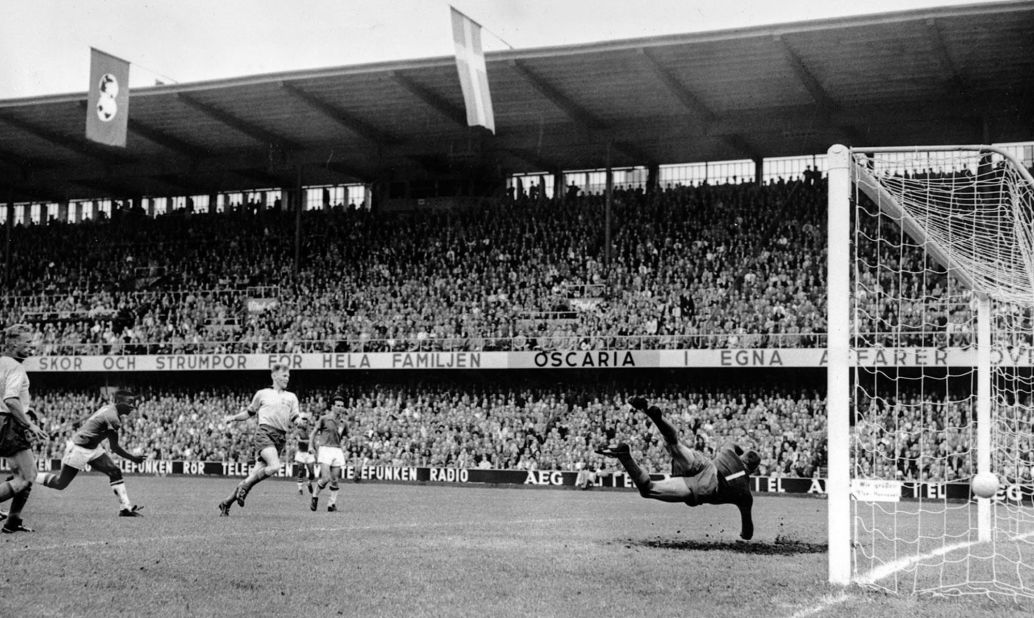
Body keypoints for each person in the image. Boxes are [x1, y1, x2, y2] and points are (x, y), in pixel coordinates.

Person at [596, 397, 760, 540]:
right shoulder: (745, 494)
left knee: (674, 444)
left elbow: (732, 443)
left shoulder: (729, 451)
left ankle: (654, 416)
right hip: (706, 486)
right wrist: (743, 533)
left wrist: (739, 452)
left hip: (704, 464)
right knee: (649, 489)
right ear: (752, 471)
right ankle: (625, 456)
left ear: (742, 457)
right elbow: (748, 533)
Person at [36, 390, 147, 517]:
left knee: (114, 471)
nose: (132, 406)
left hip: (93, 447)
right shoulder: (113, 418)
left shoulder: (110, 409)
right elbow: (114, 447)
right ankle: (28, 477)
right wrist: (133, 458)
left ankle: (125, 509)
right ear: (118, 402)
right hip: (79, 448)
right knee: (60, 484)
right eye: (129, 402)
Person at [218, 363, 301, 516]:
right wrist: (233, 418)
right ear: (274, 376)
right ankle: (245, 487)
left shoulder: (291, 397)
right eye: (284, 376)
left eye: (288, 376)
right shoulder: (262, 394)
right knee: (275, 466)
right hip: (264, 433)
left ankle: (226, 503)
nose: (287, 379)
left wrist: (299, 422)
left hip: (280, 438)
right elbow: (249, 413)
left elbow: (295, 416)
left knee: (254, 474)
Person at [0, 324, 47, 533]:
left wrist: (28, 409)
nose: (31, 347)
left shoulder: (2, 363)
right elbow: (10, 400)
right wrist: (29, 424)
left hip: (5, 421)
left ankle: (12, 521)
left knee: (27, 474)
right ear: (12, 343)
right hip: (10, 424)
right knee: (27, 477)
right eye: (27, 343)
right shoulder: (16, 367)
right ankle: (12, 520)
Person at [310, 390, 347, 512]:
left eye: (342, 406)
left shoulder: (343, 423)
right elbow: (314, 432)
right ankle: (315, 496)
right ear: (332, 406)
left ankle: (331, 504)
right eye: (337, 405)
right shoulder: (324, 419)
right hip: (325, 449)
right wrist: (311, 446)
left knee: (335, 480)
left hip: (337, 450)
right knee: (325, 478)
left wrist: (346, 446)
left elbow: (346, 437)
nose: (340, 408)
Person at [293, 413, 315, 495]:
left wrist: (315, 449)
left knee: (312, 473)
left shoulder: (310, 430)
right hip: (301, 453)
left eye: (306, 422)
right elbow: (299, 440)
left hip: (309, 453)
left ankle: (309, 483)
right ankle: (300, 488)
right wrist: (309, 441)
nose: (305, 423)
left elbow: (312, 441)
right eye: (304, 422)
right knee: (300, 471)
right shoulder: (298, 430)